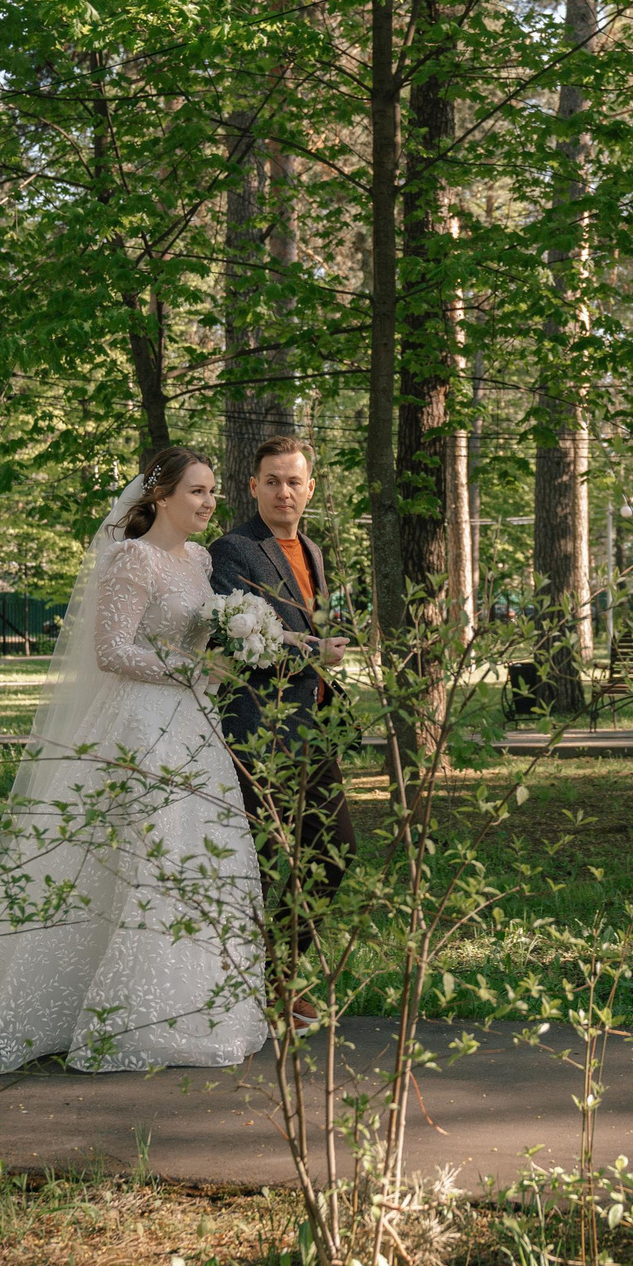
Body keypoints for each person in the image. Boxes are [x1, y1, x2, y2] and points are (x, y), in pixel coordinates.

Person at [0, 447, 268, 1074]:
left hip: (194, 727)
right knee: (139, 861)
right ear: (161, 496)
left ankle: (188, 1011)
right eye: (197, 491)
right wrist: (191, 669)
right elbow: (111, 651)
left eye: (213, 491)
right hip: (137, 727)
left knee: (194, 858)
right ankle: (112, 1014)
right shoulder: (133, 559)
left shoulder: (201, 560)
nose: (210, 502)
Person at [204, 436, 355, 1024]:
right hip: (258, 729)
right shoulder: (233, 549)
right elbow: (238, 637)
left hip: (312, 729)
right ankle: (264, 992)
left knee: (336, 850)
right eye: (272, 481)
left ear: (310, 488)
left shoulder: (311, 549)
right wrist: (314, 648)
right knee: (265, 864)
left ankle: (278, 973)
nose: (283, 492)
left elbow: (310, 619)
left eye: (293, 481)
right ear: (254, 487)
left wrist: (332, 637)